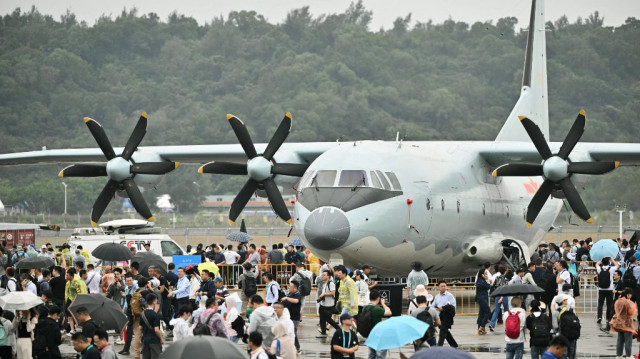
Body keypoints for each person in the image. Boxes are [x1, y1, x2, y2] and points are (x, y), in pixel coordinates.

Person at [610, 288, 636, 358]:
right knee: (628, 340)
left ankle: (619, 355)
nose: (631, 296)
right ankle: (628, 355)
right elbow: (631, 312)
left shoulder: (618, 301)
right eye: (630, 295)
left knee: (620, 340)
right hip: (627, 323)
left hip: (619, 323)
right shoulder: (628, 302)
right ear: (628, 295)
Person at [432, 280, 458, 347]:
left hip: (446, 316)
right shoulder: (437, 296)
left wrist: (444, 308)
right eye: (442, 286)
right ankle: (454, 345)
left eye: (444, 286)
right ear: (438, 287)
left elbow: (453, 306)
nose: (443, 287)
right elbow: (432, 306)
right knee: (445, 332)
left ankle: (439, 347)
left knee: (442, 333)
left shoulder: (450, 296)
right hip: (439, 317)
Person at [595, 257, 618, 332]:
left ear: (602, 262)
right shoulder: (611, 269)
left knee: (600, 304)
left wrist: (601, 260)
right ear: (608, 262)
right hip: (609, 289)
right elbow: (617, 265)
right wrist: (613, 260)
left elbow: (597, 264)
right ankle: (608, 317)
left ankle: (599, 317)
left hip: (601, 289)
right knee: (609, 304)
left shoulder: (599, 269)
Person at [551, 295, 577, 359]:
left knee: (563, 354)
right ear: (562, 301)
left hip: (562, 336)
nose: (567, 301)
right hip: (572, 334)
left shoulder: (556, 313)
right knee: (572, 352)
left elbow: (555, 326)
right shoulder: (571, 311)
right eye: (565, 300)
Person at [140, 293, 163, 359]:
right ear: (154, 302)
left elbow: (140, 327)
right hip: (154, 341)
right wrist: (161, 338)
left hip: (145, 340)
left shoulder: (142, 314)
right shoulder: (155, 315)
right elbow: (156, 330)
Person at [317, 270, 340, 337]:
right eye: (322, 275)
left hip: (329, 305)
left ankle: (338, 329)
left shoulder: (331, 283)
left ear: (328, 276)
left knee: (328, 319)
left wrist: (324, 294)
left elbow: (333, 292)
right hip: (323, 304)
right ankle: (323, 333)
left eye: (324, 275)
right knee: (322, 319)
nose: (322, 276)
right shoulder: (324, 284)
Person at [282, 281, 303, 353]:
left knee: (293, 332)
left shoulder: (297, 295)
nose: (289, 288)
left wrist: (287, 298)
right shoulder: (288, 294)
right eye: (289, 286)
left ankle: (297, 348)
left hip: (294, 318)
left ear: (295, 288)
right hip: (287, 317)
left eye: (290, 287)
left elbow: (296, 301)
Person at [490, 265, 509, 332]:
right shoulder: (506, 279)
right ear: (504, 271)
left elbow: (496, 287)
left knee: (496, 310)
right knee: (507, 311)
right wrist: (502, 297)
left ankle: (492, 324)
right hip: (504, 296)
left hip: (497, 295)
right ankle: (508, 326)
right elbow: (505, 289)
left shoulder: (497, 278)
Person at [476, 267, 492, 335]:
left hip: (483, 298)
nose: (487, 275)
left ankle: (480, 328)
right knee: (488, 312)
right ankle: (482, 326)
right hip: (481, 298)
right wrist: (487, 280)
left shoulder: (482, 281)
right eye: (485, 274)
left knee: (481, 313)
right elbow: (488, 287)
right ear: (482, 275)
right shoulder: (480, 281)